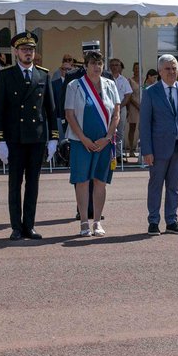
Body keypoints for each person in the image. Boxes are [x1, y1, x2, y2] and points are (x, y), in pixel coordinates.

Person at [0, 31, 57, 241]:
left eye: (31, 50)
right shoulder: (6, 75)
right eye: (24, 50)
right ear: (16, 52)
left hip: (36, 138)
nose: (28, 53)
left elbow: (50, 109)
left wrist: (54, 137)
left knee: (33, 184)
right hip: (15, 138)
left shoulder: (43, 75)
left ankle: (29, 225)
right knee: (14, 184)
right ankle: (16, 227)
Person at [65, 50, 121, 236]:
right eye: (93, 63)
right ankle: (83, 222)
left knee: (100, 181)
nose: (97, 67)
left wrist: (108, 137)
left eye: (100, 64)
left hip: (104, 143)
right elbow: (69, 114)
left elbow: (116, 114)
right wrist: (83, 139)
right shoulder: (74, 85)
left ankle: (97, 221)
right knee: (82, 181)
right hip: (81, 142)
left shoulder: (110, 85)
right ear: (85, 66)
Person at [140, 54, 178, 236]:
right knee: (155, 185)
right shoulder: (150, 92)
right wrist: (146, 150)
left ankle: (171, 221)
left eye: (174, 68)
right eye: (168, 69)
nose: (171, 72)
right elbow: (145, 124)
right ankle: (153, 221)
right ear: (160, 71)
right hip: (158, 148)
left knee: (174, 187)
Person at [109, 57, 133, 155]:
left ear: (120, 67)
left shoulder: (124, 80)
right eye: (113, 65)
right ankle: (109, 154)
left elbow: (128, 95)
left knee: (119, 132)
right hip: (108, 109)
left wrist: (119, 107)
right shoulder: (106, 78)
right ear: (110, 67)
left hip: (121, 109)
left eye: (117, 65)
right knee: (108, 131)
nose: (115, 67)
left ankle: (118, 154)